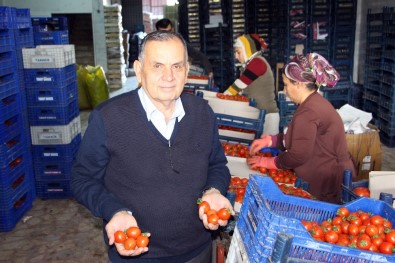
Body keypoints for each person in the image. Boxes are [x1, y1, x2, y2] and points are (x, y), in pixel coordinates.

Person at [71, 30, 233, 262]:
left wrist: (214, 190)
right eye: (157, 66)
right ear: (139, 70)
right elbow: (81, 179)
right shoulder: (108, 118)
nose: (169, 76)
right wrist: (115, 211)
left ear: (187, 71)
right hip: (137, 253)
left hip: (197, 250)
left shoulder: (202, 113)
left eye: (177, 66)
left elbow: (217, 164)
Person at [247, 53, 356, 204]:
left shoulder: (309, 111)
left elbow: (299, 154)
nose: (285, 91)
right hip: (328, 173)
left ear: (298, 84)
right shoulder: (313, 102)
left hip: (326, 180)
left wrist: (267, 163)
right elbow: (301, 138)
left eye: (286, 85)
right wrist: (270, 141)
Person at [224, 34, 279, 135]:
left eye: (238, 52)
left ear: (247, 50)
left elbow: (239, 85)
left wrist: (223, 97)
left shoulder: (258, 62)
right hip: (259, 115)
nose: (236, 56)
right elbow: (242, 90)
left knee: (265, 149)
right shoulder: (250, 64)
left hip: (268, 117)